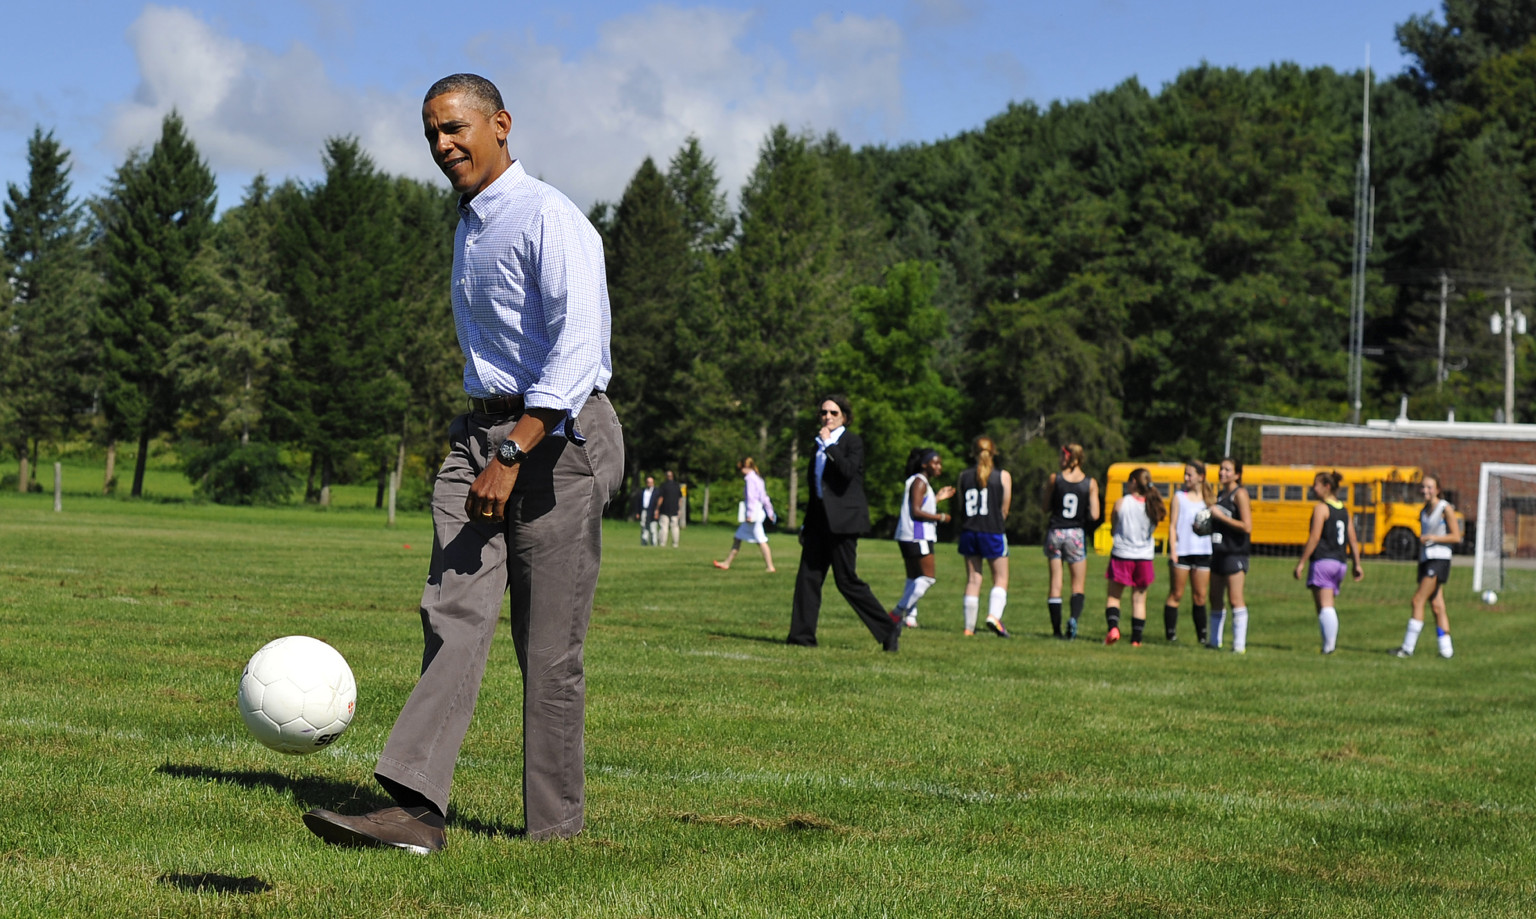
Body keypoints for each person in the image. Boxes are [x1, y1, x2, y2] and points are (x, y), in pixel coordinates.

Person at [302, 73, 623, 853]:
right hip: (480, 435)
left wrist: (515, 447)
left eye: (454, 129)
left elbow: (578, 348)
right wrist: (485, 443)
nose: (443, 146)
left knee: (546, 649)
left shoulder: (551, 218)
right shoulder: (470, 223)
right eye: (431, 135)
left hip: (559, 439)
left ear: (500, 124)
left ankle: (555, 830)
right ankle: (415, 809)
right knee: (452, 614)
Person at [787, 395, 901, 652]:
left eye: (833, 413)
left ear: (845, 417)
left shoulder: (851, 442)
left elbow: (848, 472)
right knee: (808, 579)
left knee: (846, 580)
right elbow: (816, 489)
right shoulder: (817, 445)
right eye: (823, 413)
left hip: (844, 523)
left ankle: (888, 628)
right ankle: (801, 637)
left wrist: (829, 445)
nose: (827, 417)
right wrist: (806, 523)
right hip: (818, 523)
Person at [1292, 470, 1363, 655]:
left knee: (1325, 606)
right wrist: (1357, 564)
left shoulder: (1321, 508)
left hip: (1323, 561)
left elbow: (1314, 537)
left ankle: (1329, 647)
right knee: (1325, 605)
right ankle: (1327, 644)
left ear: (1327, 486)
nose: (1313, 488)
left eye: (1316, 484)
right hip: (1340, 563)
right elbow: (1353, 539)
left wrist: (1301, 562)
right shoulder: (1343, 509)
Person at [1393, 474, 1461, 659]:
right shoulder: (1423, 510)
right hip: (1426, 559)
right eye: (1423, 487)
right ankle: (1446, 650)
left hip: (1439, 560)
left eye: (1429, 487)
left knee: (1417, 600)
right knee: (1437, 606)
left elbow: (1456, 536)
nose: (1425, 491)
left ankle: (1407, 648)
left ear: (1437, 489)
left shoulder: (1445, 508)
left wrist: (1433, 538)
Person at [891, 448, 955, 629]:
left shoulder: (916, 481)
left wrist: (937, 498)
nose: (939, 467)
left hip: (907, 534)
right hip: (918, 535)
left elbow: (921, 504)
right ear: (924, 464)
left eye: (940, 463)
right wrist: (941, 517)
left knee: (913, 578)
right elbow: (917, 511)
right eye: (935, 463)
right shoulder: (920, 481)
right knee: (927, 578)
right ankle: (897, 612)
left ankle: (910, 617)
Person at [955, 436, 1012, 637]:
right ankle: (994, 616)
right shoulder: (1003, 476)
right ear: (994, 451)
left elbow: (961, 506)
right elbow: (1004, 510)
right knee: (1001, 578)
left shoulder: (963, 476)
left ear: (973, 452)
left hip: (970, 531)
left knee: (973, 579)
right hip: (993, 531)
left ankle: (969, 628)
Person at [1042, 443, 1098, 639]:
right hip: (1075, 533)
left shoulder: (1054, 479)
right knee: (1077, 584)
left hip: (1056, 532)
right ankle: (1073, 618)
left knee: (1055, 581)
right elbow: (1095, 514)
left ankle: (1056, 630)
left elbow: (1045, 506)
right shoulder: (1089, 482)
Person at [1105, 467, 1164, 646]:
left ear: (1132, 482)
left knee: (1114, 597)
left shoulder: (1122, 503)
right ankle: (1136, 640)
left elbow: (1113, 527)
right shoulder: (1152, 505)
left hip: (1122, 555)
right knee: (1139, 600)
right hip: (1144, 557)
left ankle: (1114, 629)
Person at [1162, 460, 1212, 644]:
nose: (1186, 478)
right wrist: (1173, 550)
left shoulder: (1208, 499)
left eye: (1190, 474)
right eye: (1185, 474)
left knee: (1200, 596)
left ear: (1201, 477)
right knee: (1177, 594)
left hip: (1203, 551)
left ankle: (1202, 636)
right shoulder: (1179, 497)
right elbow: (1173, 525)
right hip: (1183, 550)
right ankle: (1170, 634)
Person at [1206, 458, 1253, 653]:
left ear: (1237, 474)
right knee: (1215, 598)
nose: (1222, 473)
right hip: (1218, 551)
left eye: (1227, 469)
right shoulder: (1219, 495)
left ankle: (1239, 645)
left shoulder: (1239, 494)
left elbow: (1247, 526)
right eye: (1221, 469)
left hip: (1235, 552)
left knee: (1235, 599)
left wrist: (1220, 517)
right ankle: (1214, 641)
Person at [713, 457, 777, 572]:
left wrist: (749, 514)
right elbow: (764, 498)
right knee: (739, 538)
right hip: (758, 513)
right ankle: (727, 563)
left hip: (753, 515)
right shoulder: (758, 479)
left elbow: (751, 498)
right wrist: (770, 512)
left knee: (760, 540)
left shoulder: (750, 479)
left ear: (745, 467)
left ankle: (770, 566)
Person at [656, 470, 683, 548]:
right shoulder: (677, 486)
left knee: (664, 527)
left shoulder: (663, 486)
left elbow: (661, 498)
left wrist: (657, 508)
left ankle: (662, 543)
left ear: (666, 477)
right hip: (674, 510)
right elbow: (680, 499)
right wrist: (679, 509)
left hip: (664, 510)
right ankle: (675, 544)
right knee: (675, 527)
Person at [632, 475, 659, 546]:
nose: (649, 484)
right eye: (648, 482)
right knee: (644, 526)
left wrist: (657, 511)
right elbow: (638, 502)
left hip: (653, 511)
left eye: (651, 482)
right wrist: (638, 512)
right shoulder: (642, 491)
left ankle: (654, 543)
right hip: (644, 510)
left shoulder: (656, 492)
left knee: (653, 527)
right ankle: (644, 542)